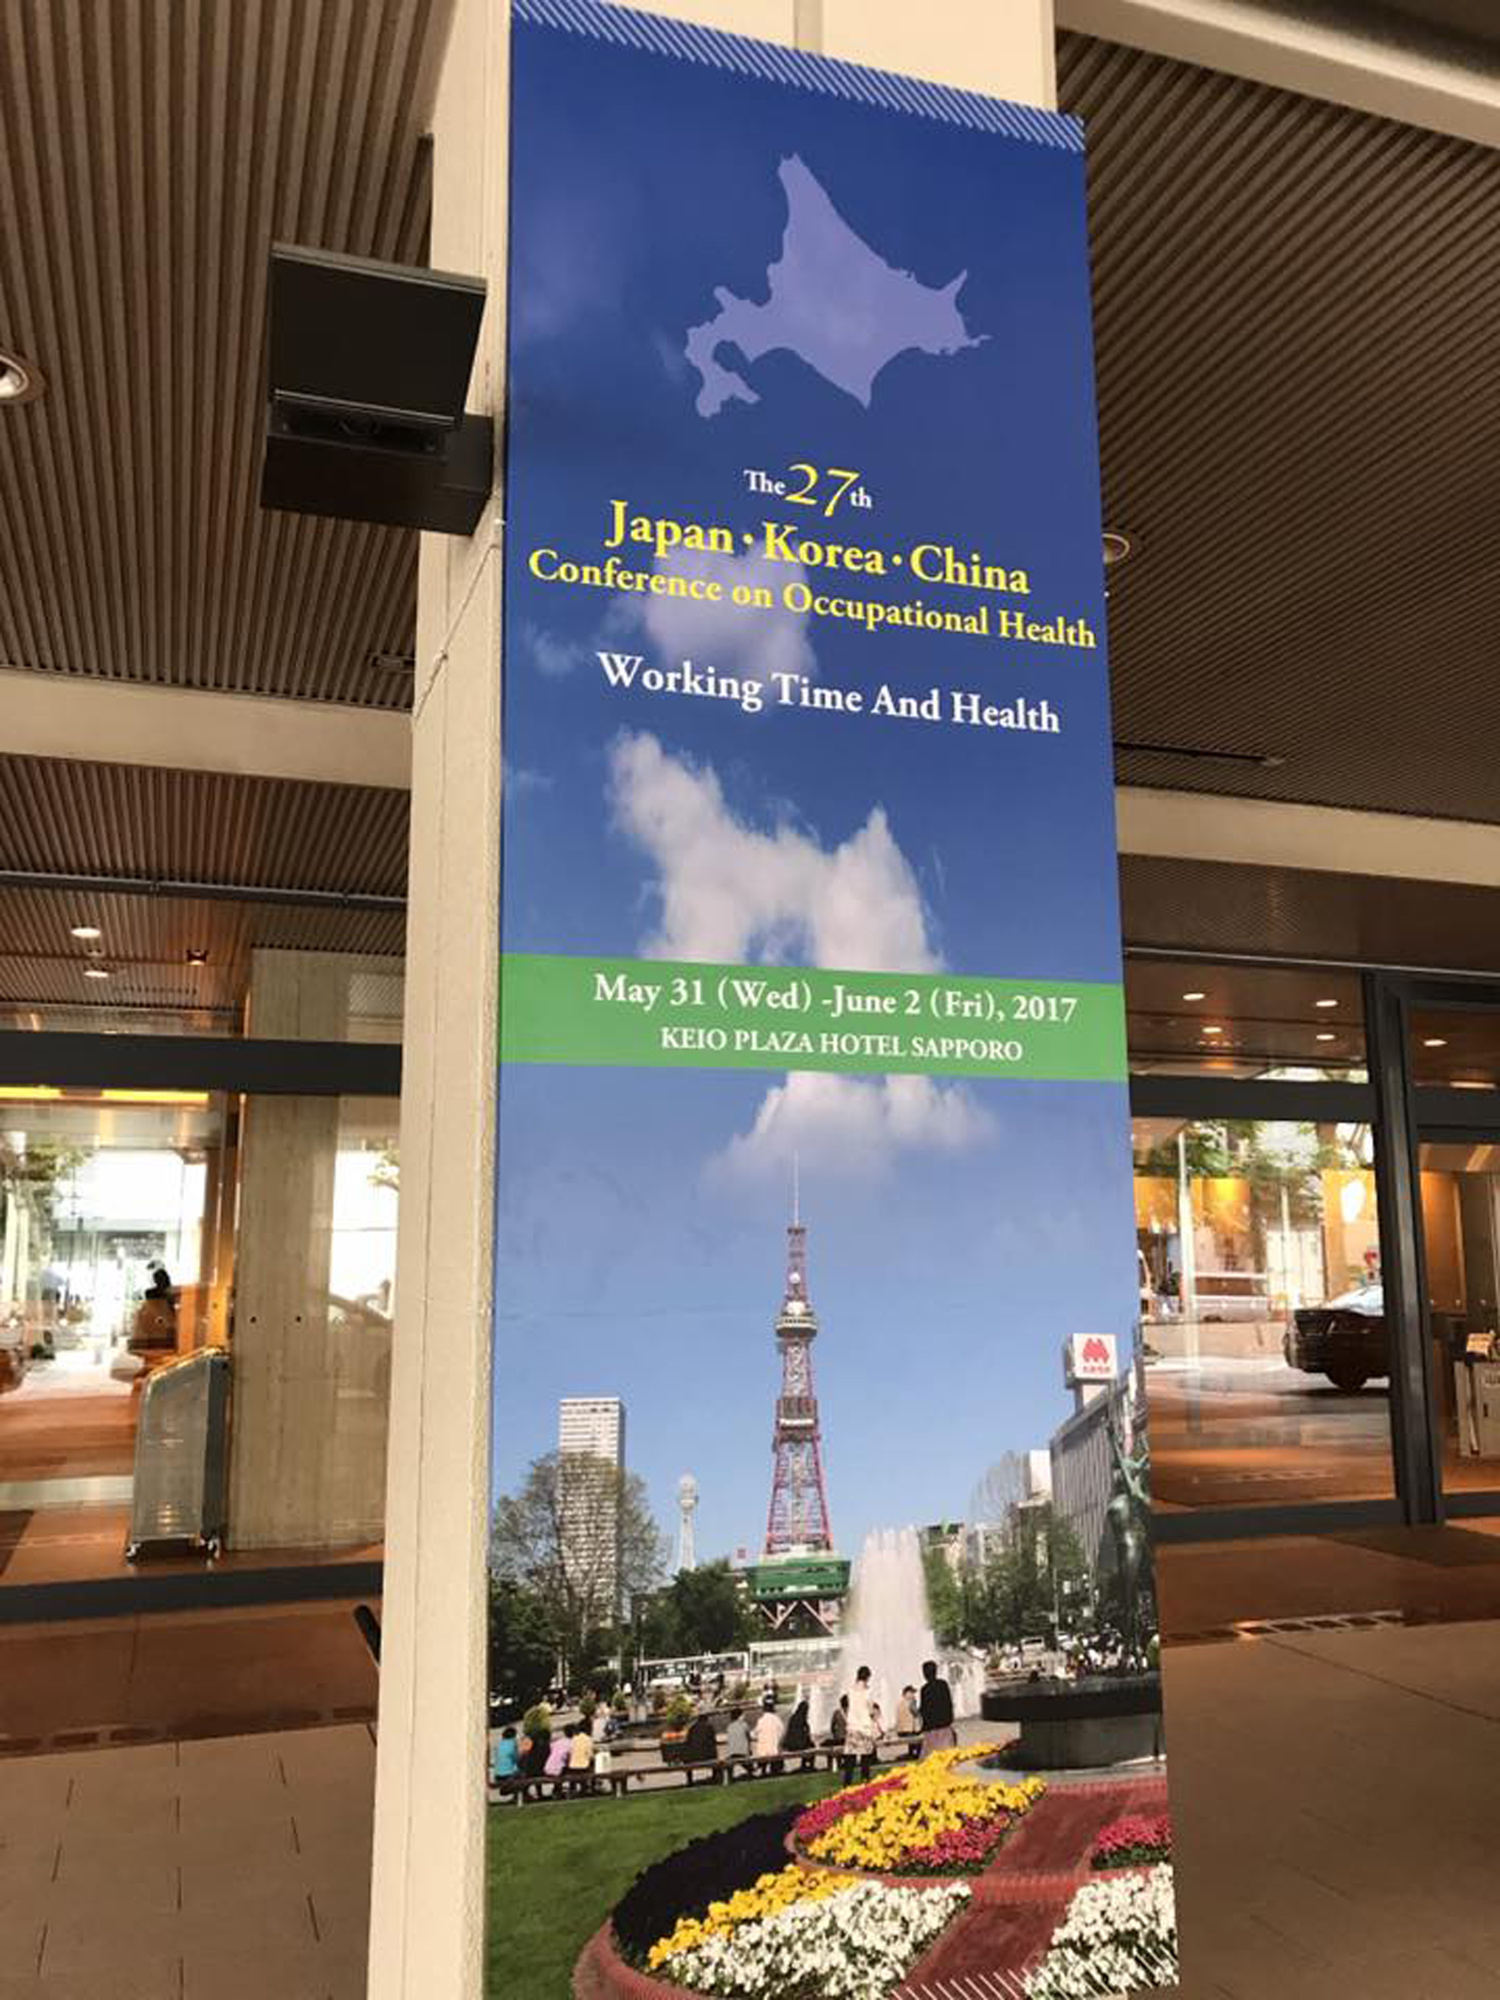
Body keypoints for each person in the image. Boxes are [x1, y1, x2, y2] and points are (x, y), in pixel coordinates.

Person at [844, 1666, 881, 1784]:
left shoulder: (850, 1690)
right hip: (865, 1727)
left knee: (850, 1758)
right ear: (868, 1677)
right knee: (865, 1757)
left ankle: (847, 1783)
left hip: (852, 1727)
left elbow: (849, 1707)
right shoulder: (868, 1691)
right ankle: (865, 1781)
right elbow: (870, 1710)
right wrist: (877, 1722)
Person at [919, 1659, 956, 1756]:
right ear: (936, 1671)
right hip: (944, 1726)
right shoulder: (943, 1684)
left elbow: (924, 1710)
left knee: (932, 1757)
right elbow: (949, 1703)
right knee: (947, 1755)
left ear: (924, 1674)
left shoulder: (924, 1689)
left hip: (931, 1729)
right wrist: (950, 1719)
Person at [682, 1710, 718, 1776]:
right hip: (707, 1756)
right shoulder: (709, 1727)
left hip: (693, 1757)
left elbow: (688, 1742)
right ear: (706, 1719)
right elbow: (714, 1741)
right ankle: (715, 1774)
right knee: (713, 1750)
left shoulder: (692, 1728)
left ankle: (690, 1779)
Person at [753, 1702, 785, 1774]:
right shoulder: (777, 1719)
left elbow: (755, 1734)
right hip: (775, 1749)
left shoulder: (761, 1720)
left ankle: (763, 1770)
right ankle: (775, 1768)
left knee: (761, 1747)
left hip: (763, 1751)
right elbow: (782, 1732)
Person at [783, 1698, 814, 1770]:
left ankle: (804, 1764)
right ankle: (808, 1765)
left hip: (790, 1745)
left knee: (807, 1744)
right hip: (798, 1745)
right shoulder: (803, 1720)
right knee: (811, 1746)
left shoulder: (792, 1718)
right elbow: (806, 1734)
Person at [723, 1705, 752, 1778]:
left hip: (731, 1753)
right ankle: (751, 1773)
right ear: (739, 1716)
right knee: (749, 1764)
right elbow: (748, 1737)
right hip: (743, 1752)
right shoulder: (744, 1725)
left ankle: (729, 1777)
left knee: (730, 1764)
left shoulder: (729, 1726)